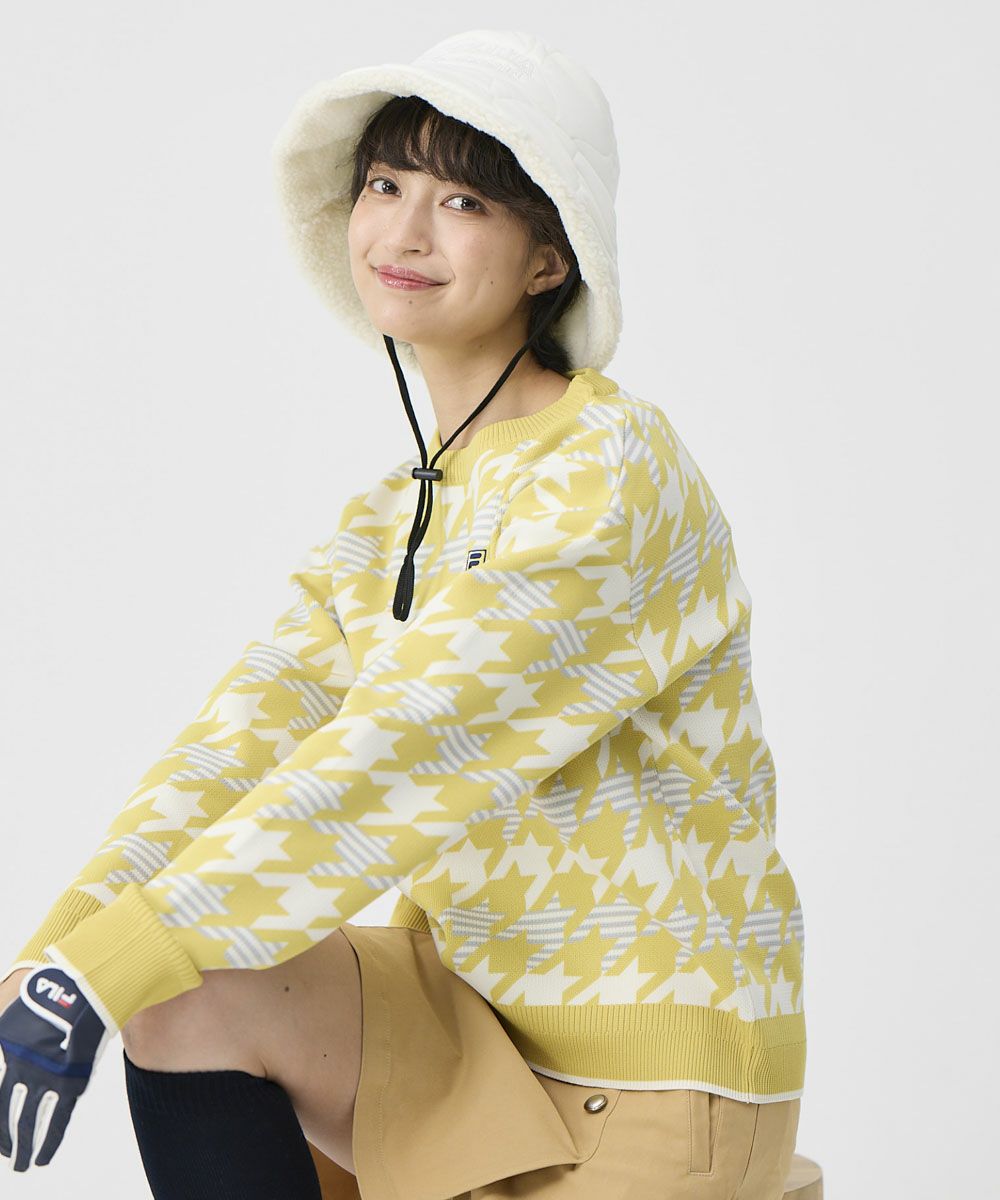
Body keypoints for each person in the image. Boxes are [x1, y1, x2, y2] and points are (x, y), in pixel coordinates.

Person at [0, 27, 807, 1200]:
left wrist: (111, 961)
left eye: (463, 201)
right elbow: (237, 748)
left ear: (548, 258)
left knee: (159, 962)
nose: (405, 231)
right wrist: (51, 966)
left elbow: (408, 746)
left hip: (646, 1079)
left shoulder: (612, 469)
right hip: (464, 1041)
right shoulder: (390, 516)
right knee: (183, 996)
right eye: (384, 185)